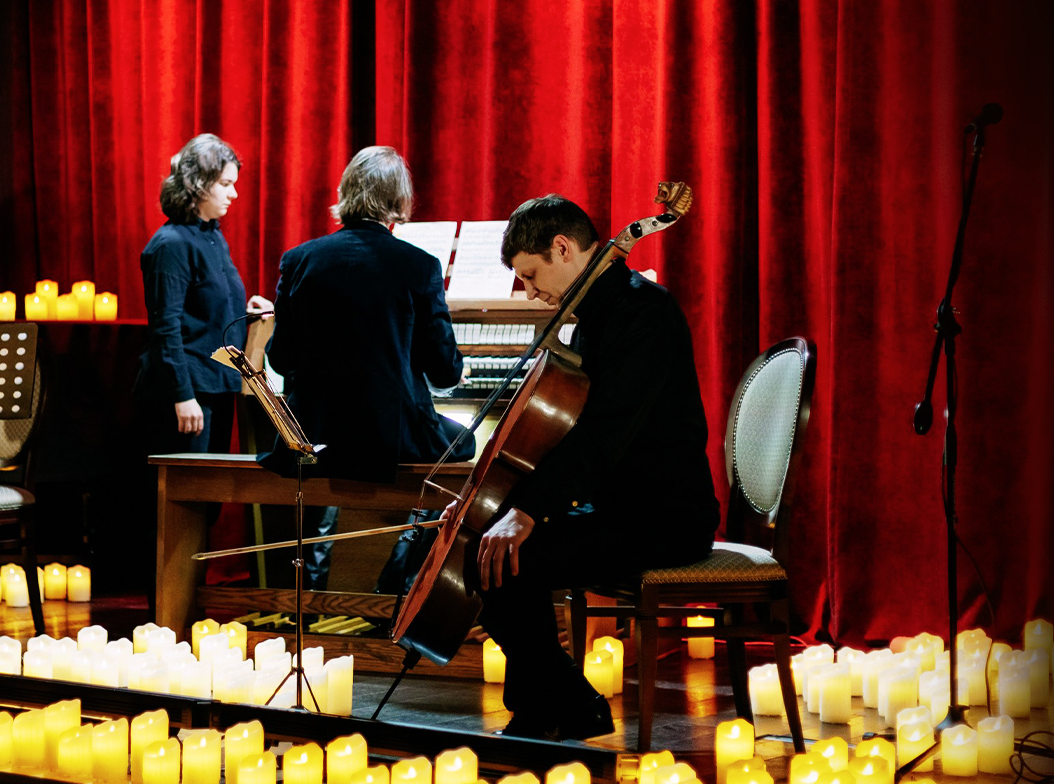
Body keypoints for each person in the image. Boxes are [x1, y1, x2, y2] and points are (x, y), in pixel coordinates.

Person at [473, 194, 719, 740]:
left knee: (507, 559)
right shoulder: (594, 314)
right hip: (614, 506)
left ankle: (556, 709)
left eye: (532, 276)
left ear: (562, 248)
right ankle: (557, 704)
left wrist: (527, 511)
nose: (531, 294)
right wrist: (499, 506)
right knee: (488, 547)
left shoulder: (643, 313)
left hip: (664, 516)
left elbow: (603, 437)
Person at [260, 146, 474, 589]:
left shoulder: (300, 259)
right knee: (469, 446)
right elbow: (443, 371)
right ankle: (397, 581)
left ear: (346, 193)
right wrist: (456, 369)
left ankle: (323, 585)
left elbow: (280, 358)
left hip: (312, 434)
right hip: (390, 437)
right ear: (399, 200)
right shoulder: (419, 265)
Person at [111, 133, 271, 592]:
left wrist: (247, 311)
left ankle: (188, 605)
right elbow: (167, 329)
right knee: (178, 508)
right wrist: (183, 396)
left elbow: (207, 313)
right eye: (225, 184)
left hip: (216, 388)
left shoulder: (212, 236)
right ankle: (166, 610)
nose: (234, 194)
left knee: (206, 506)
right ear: (198, 185)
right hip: (184, 395)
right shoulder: (171, 244)